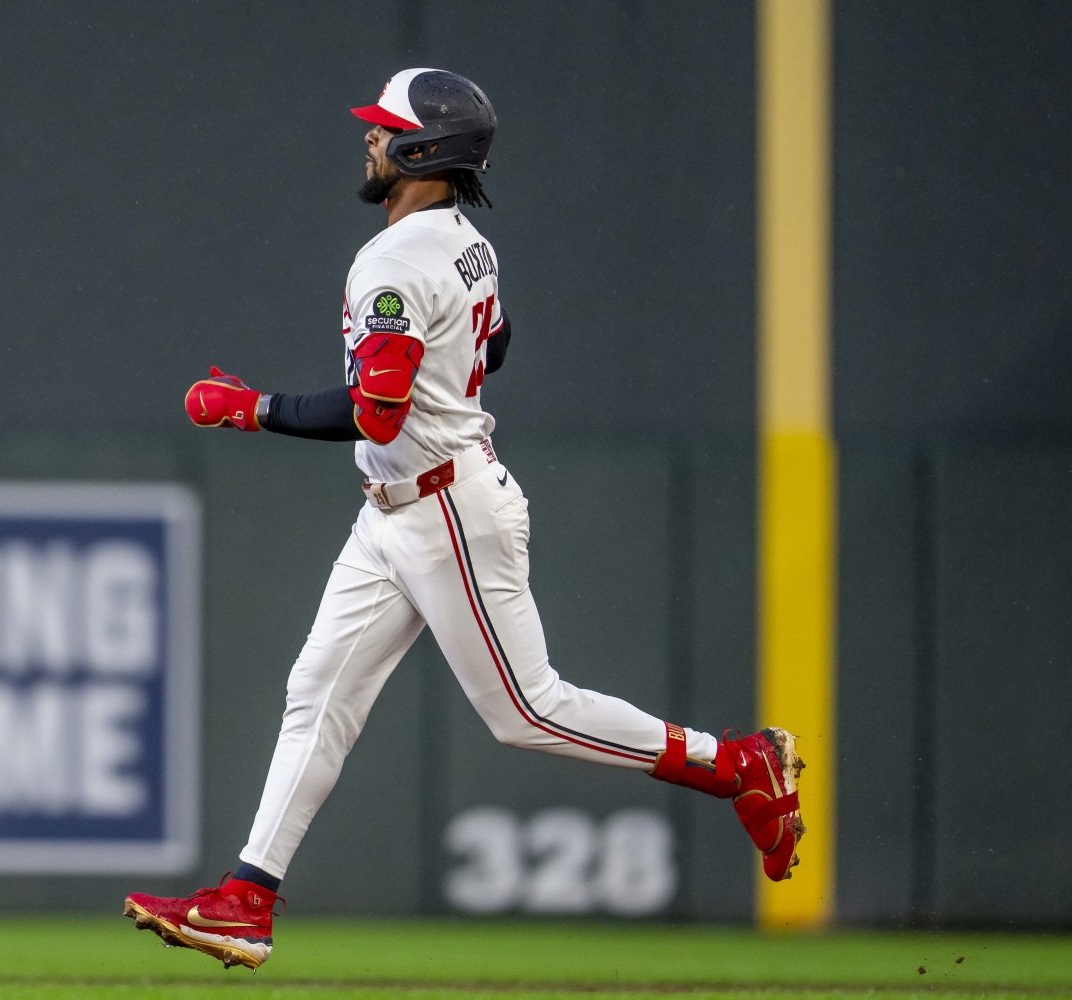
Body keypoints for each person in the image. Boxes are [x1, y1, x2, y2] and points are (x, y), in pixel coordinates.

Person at [123, 68, 804, 971]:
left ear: (423, 149)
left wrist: (252, 408)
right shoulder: (463, 242)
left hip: (443, 506)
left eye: (383, 128)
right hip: (397, 506)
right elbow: (499, 340)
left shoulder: (396, 260)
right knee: (316, 695)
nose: (368, 138)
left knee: (528, 710)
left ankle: (737, 766)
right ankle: (247, 898)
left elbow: (378, 412)